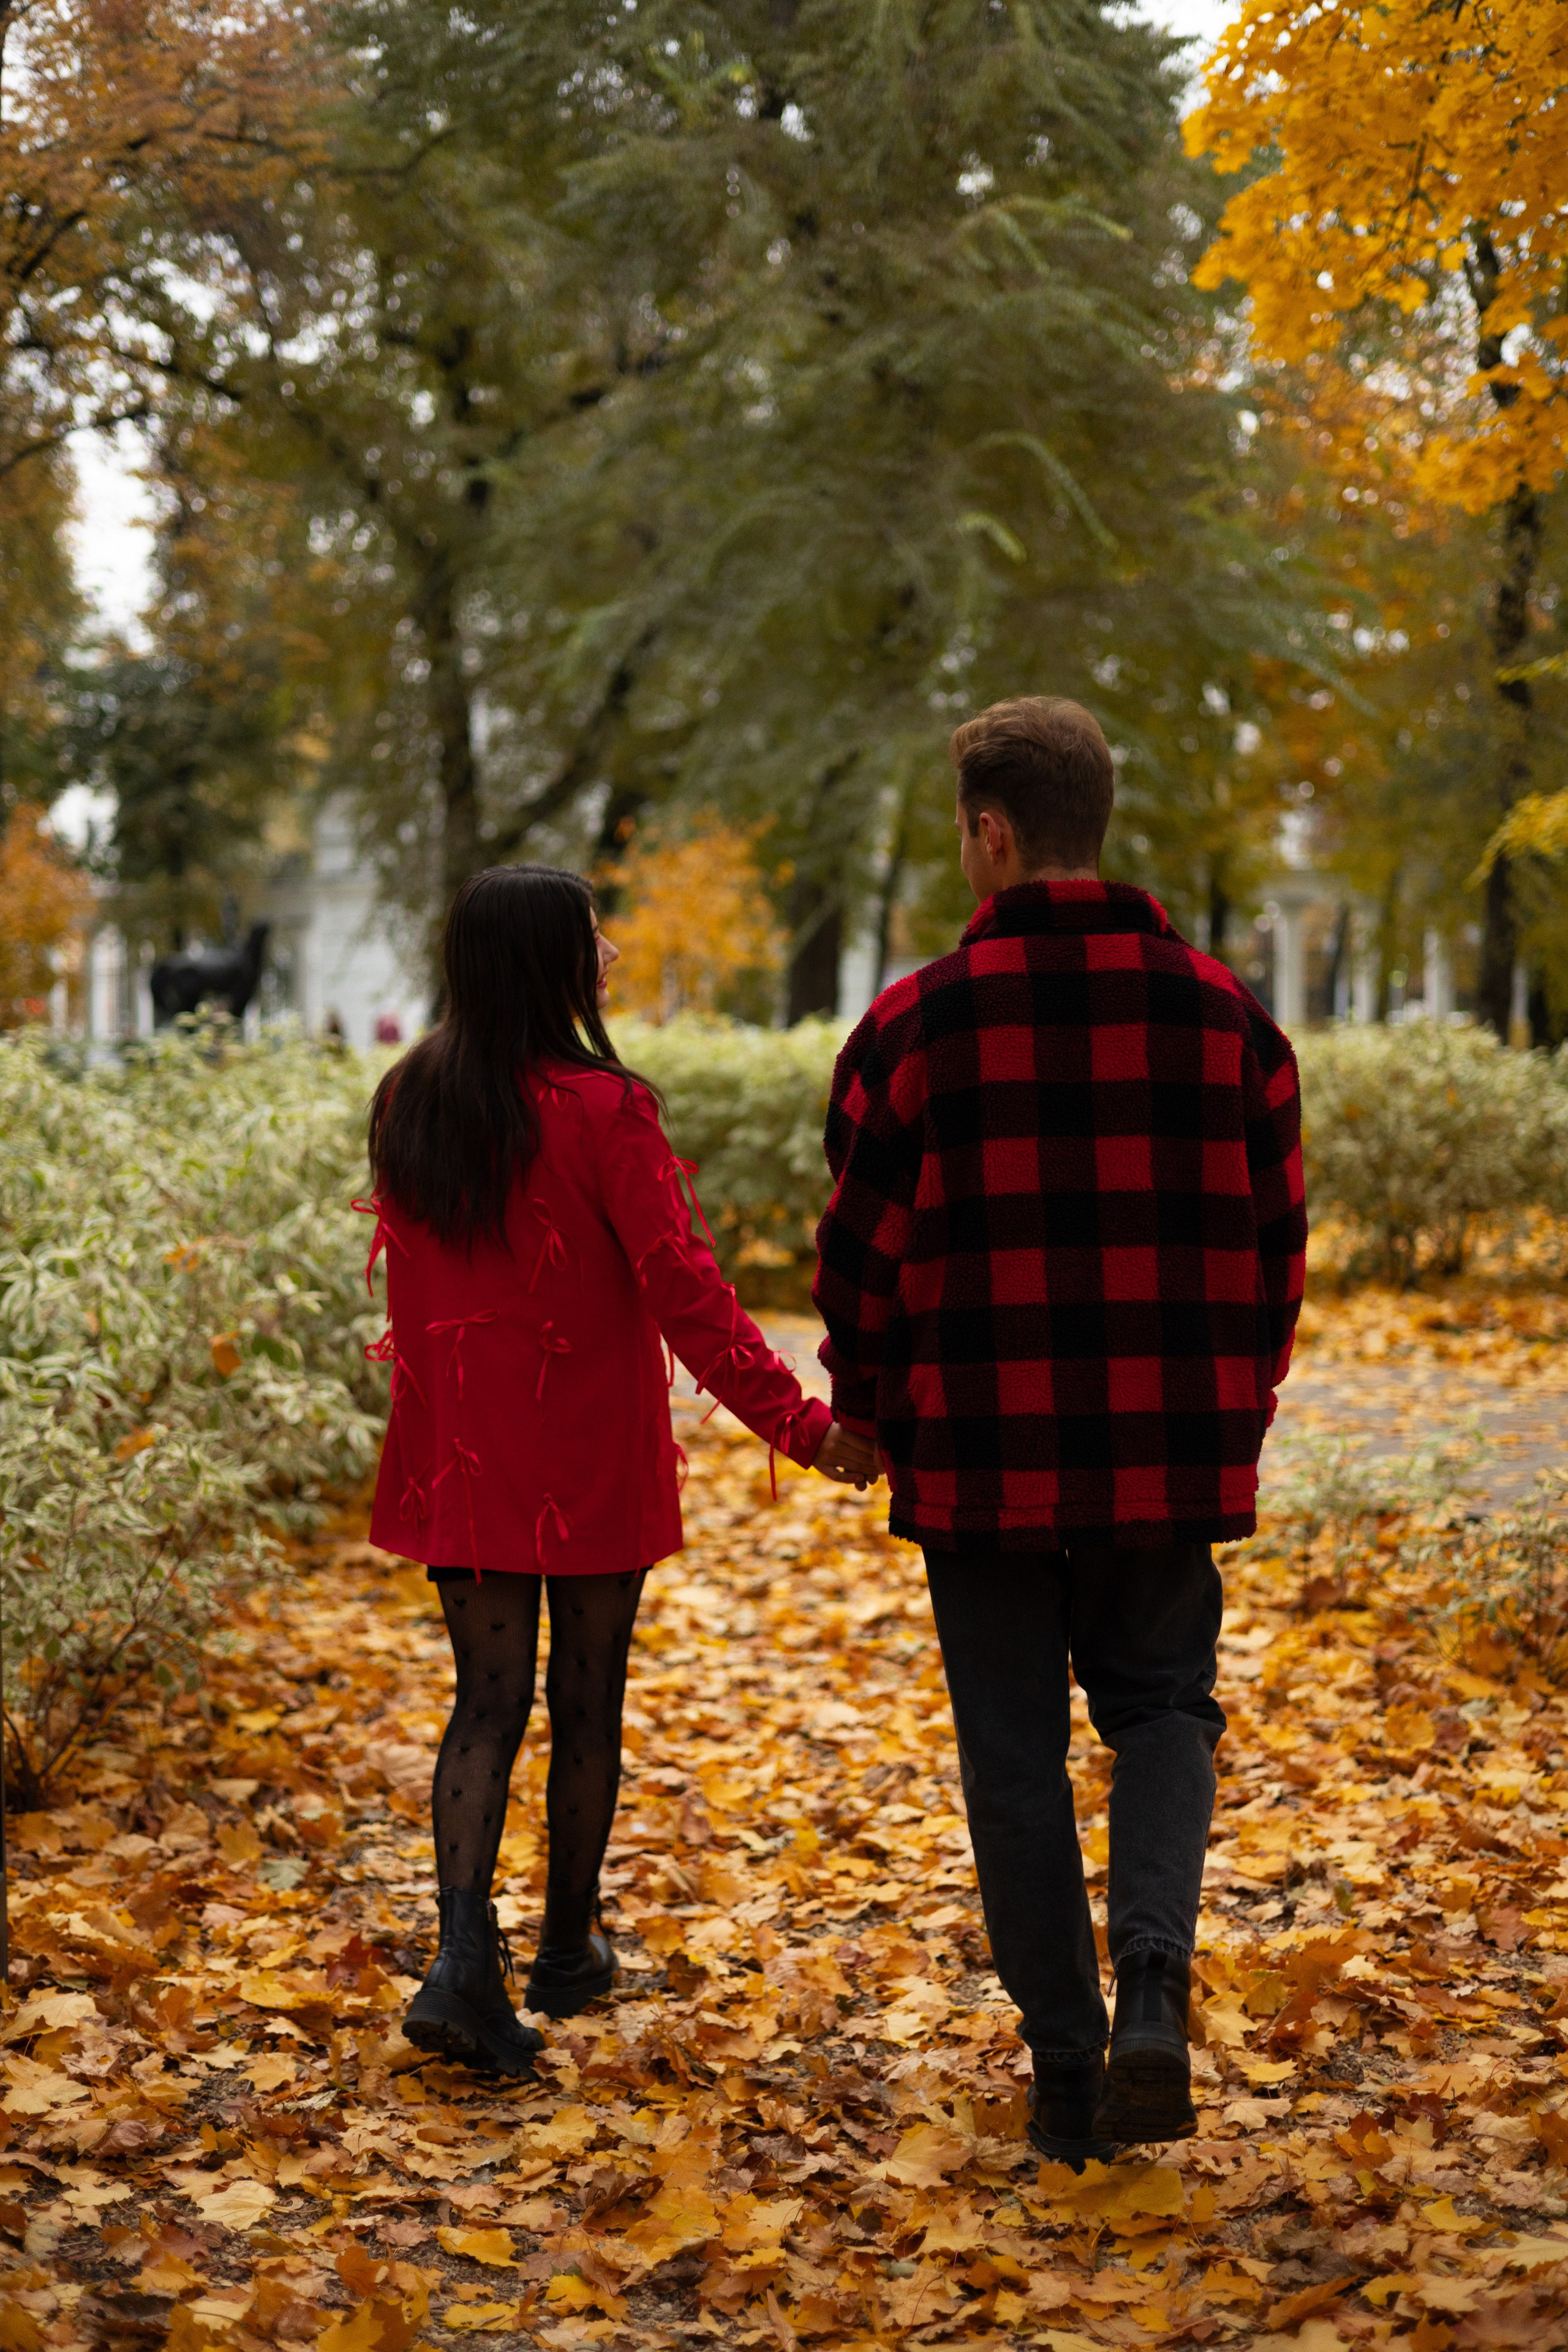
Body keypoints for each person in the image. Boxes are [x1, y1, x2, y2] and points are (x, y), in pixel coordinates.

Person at [813, 698, 1305, 2163]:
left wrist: (862, 1405)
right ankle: (1151, 1987)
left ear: (991, 833)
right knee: (1162, 1713)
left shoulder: (910, 1027)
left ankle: (1069, 2070)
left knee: (1012, 1757)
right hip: (1166, 1448)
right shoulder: (1227, 1019)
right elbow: (1276, 1247)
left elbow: (857, 1252)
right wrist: (1238, 1405)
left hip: (983, 1455)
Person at [361, 864, 875, 2078]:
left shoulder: (408, 1100)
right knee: (585, 1705)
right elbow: (684, 1294)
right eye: (592, 936)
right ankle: (563, 1951)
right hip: (584, 1452)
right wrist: (802, 1427)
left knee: (485, 1703)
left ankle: (459, 1963)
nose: (608, 954)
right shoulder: (604, 1109)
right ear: (550, 959)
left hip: (465, 1454)